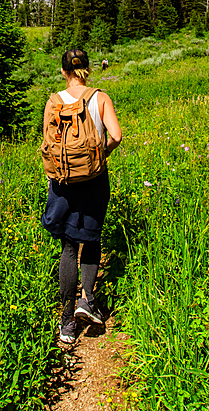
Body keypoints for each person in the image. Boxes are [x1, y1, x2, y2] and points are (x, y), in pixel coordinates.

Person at [41, 48, 122, 344]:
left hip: (62, 182)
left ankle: (66, 323)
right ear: (87, 69)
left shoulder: (54, 102)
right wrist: (100, 157)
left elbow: (48, 145)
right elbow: (116, 135)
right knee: (91, 240)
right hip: (94, 180)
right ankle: (87, 300)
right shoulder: (100, 98)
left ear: (64, 72)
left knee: (68, 247)